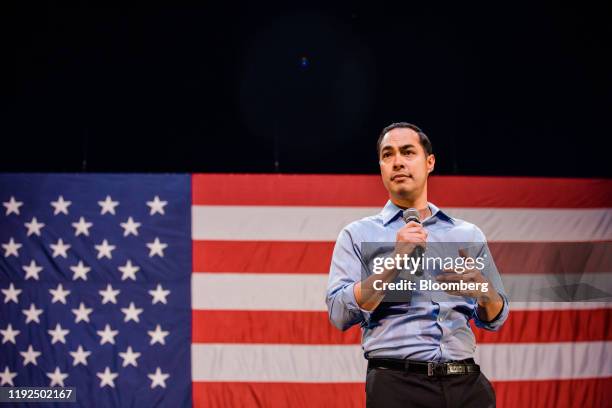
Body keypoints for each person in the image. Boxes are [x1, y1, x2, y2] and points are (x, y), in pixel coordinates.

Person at [326, 122, 509, 408]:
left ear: (430, 162)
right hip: (397, 386)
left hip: (466, 383)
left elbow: (496, 316)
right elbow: (339, 313)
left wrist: (485, 292)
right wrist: (396, 260)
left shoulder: (466, 234)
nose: (397, 162)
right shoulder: (357, 234)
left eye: (407, 152)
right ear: (381, 168)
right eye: (388, 155)